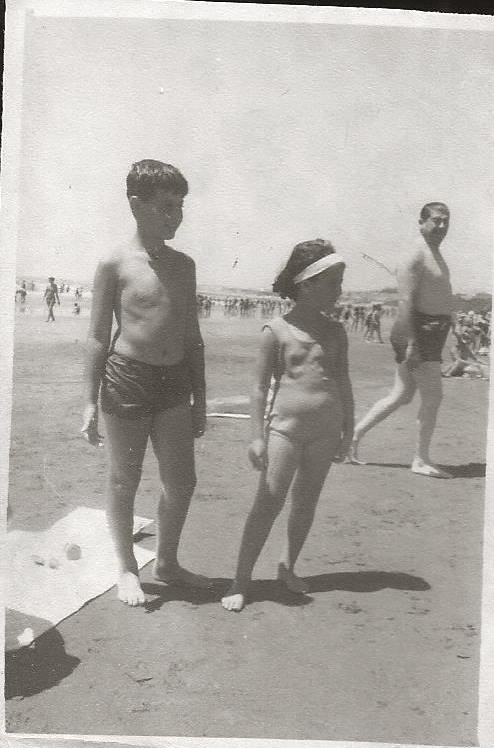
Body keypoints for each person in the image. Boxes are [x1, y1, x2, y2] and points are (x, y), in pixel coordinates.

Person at [81, 159, 209, 606]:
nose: (175, 216)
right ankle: (126, 569)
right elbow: (97, 337)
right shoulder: (114, 263)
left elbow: (193, 337)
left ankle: (168, 562)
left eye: (180, 207)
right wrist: (87, 402)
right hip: (127, 378)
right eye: (166, 206)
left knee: (182, 482)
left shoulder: (184, 265)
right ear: (137, 205)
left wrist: (201, 398)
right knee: (124, 480)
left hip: (175, 382)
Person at [222, 240, 355, 612]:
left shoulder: (336, 332)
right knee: (268, 503)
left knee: (305, 502)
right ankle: (240, 579)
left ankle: (287, 566)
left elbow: (343, 382)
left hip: (326, 430)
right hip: (285, 430)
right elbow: (259, 388)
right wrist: (255, 438)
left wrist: (349, 429)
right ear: (307, 284)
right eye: (333, 283)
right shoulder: (276, 330)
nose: (340, 291)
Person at [348, 202, 453, 478]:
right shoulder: (415, 254)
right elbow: (406, 301)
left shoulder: (433, 252)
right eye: (436, 220)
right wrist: (412, 342)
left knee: (401, 395)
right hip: (419, 332)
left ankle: (352, 437)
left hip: (432, 332)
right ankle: (420, 459)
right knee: (433, 397)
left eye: (446, 221)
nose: (442, 226)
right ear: (421, 222)